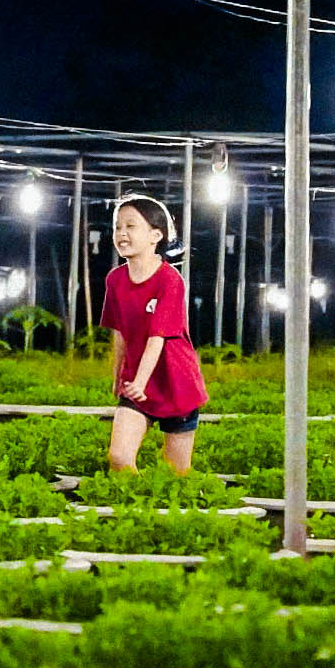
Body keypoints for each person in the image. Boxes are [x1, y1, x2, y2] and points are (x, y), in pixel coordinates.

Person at [102, 194, 208, 474]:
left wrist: (139, 380)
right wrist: (118, 378)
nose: (122, 233)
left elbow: (156, 338)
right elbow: (121, 334)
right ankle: (135, 509)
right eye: (118, 227)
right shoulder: (115, 280)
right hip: (137, 382)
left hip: (176, 382)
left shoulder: (170, 280)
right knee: (119, 458)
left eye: (131, 226)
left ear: (155, 235)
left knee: (176, 476)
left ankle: (160, 514)